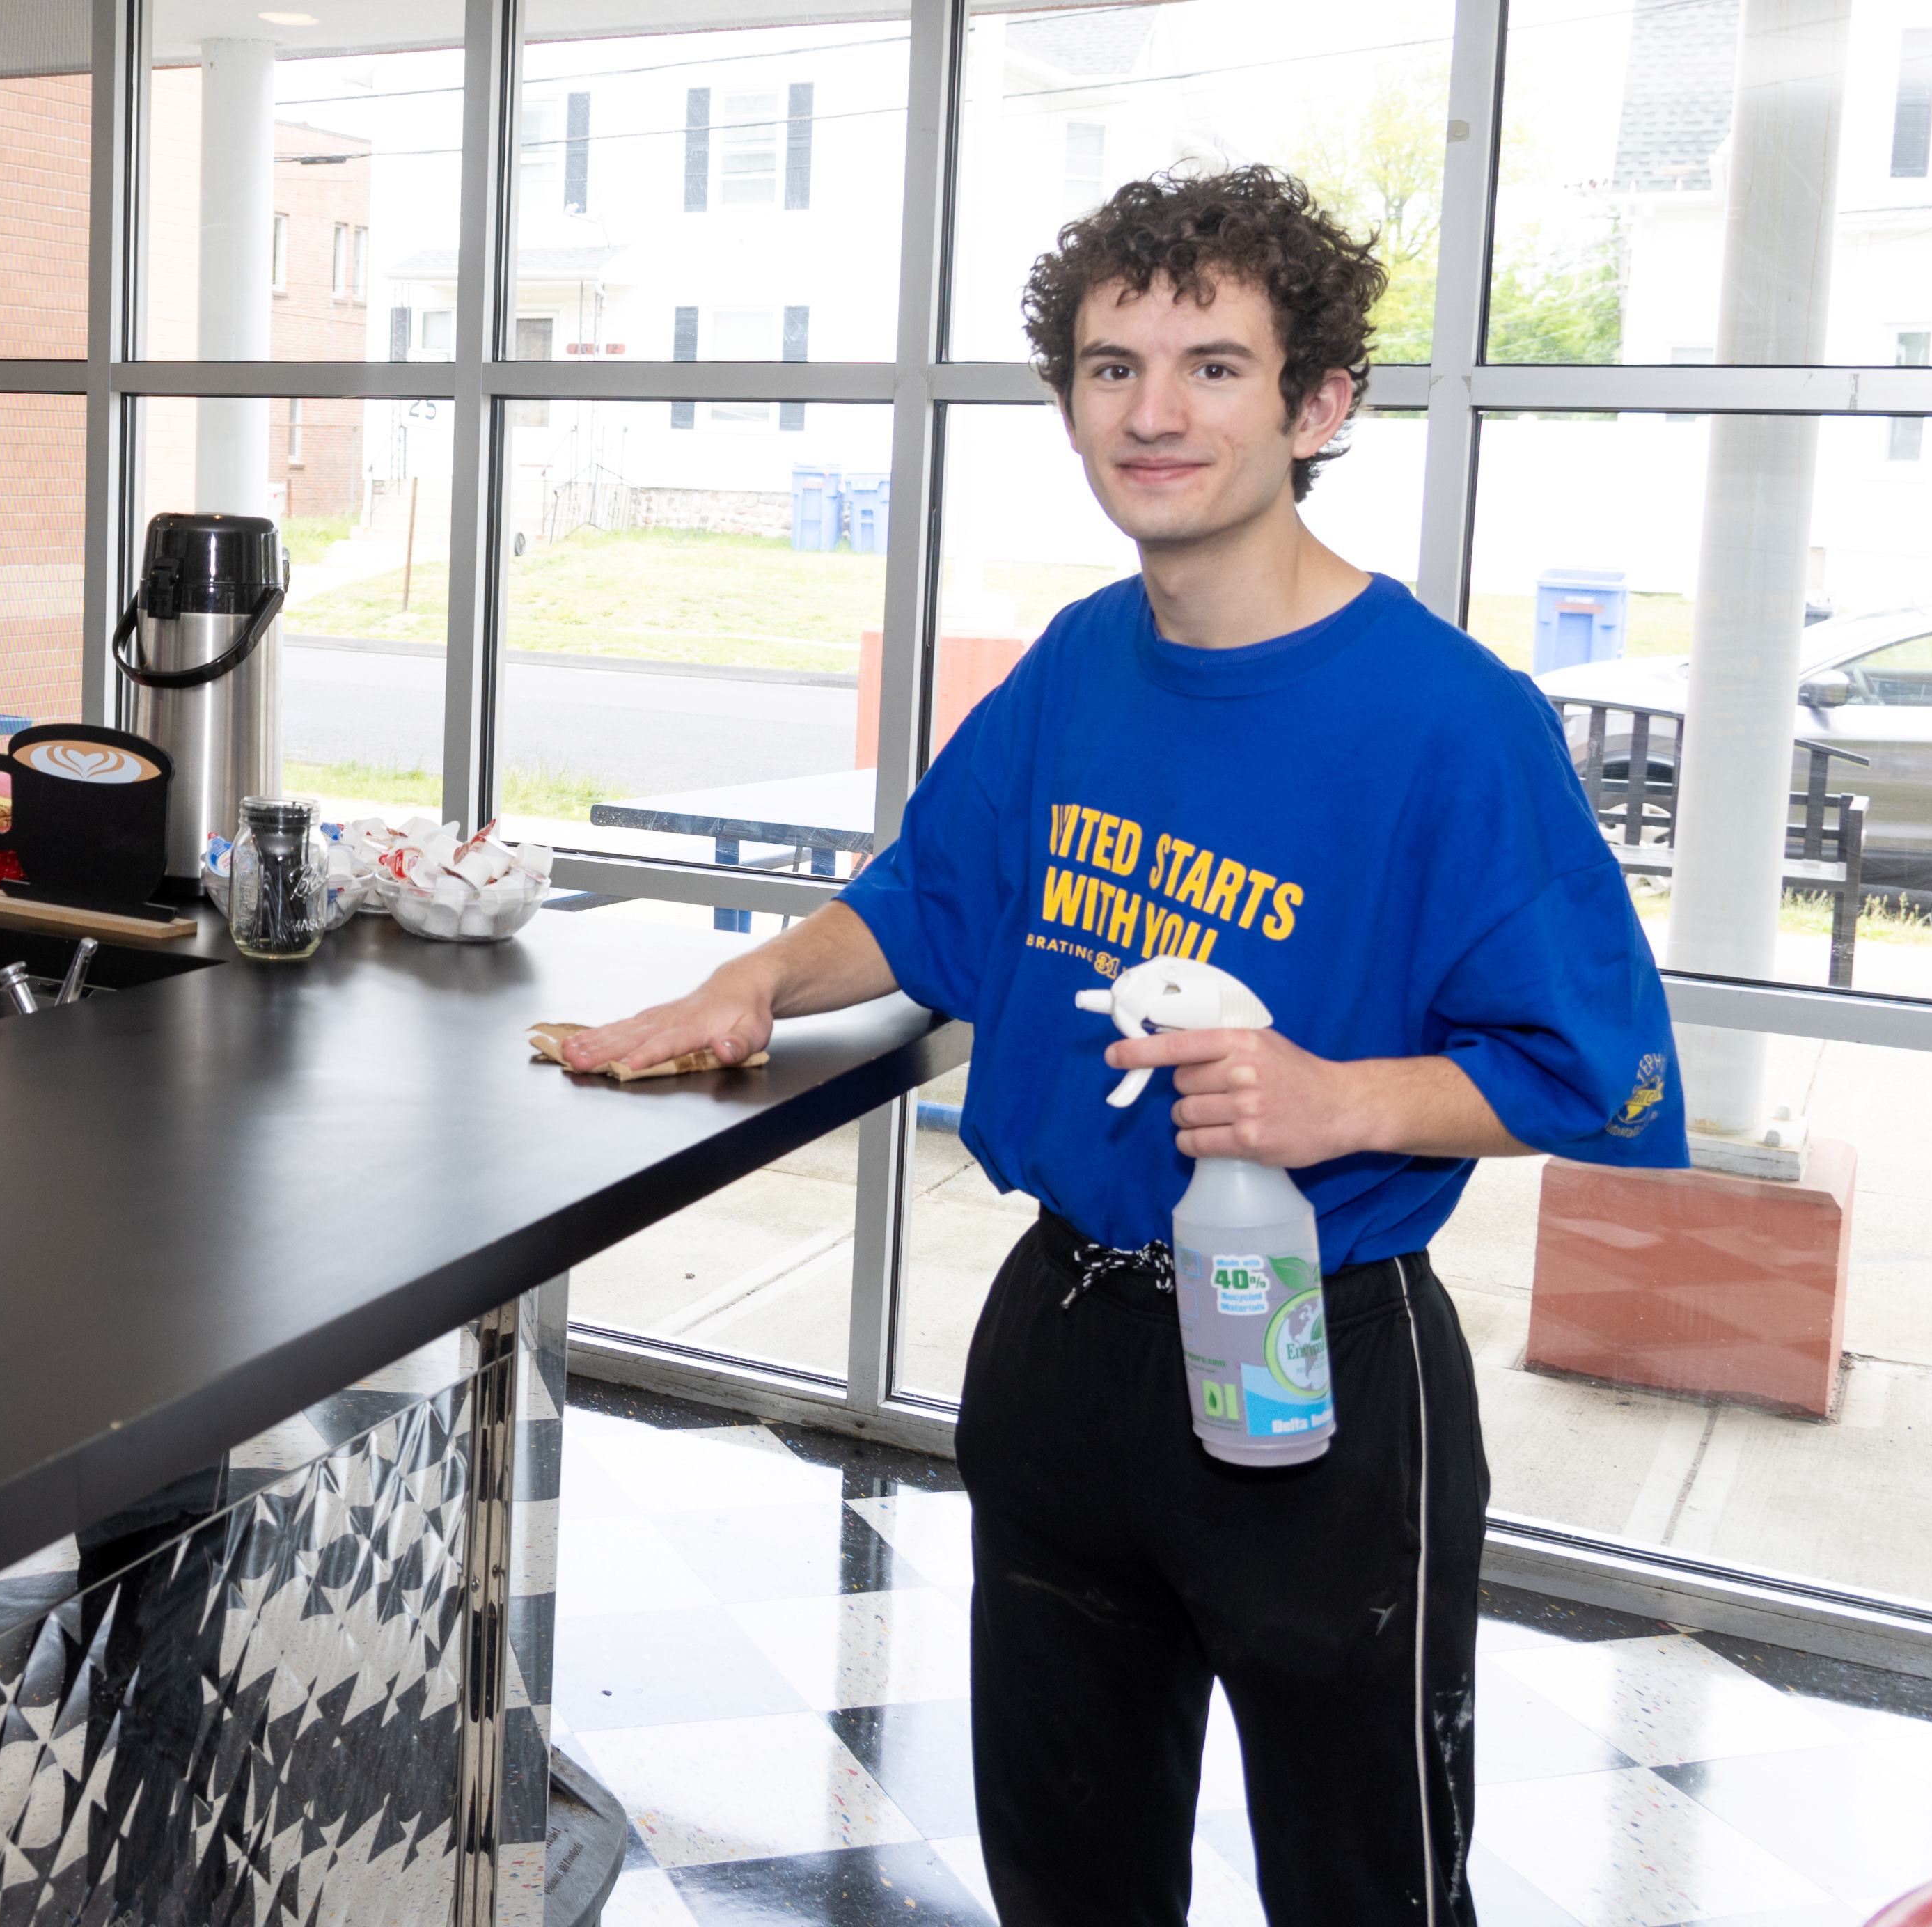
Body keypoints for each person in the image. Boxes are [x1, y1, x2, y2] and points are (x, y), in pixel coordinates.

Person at [561, 167, 1686, 1926]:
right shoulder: (1082, 663)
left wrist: (1340, 1099)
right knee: (1068, 1875)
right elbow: (928, 899)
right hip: (1064, 1345)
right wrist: (763, 980)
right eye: (1111, 365)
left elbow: (1594, 1062)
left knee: (1364, 1886)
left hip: (1314, 1369)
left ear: (1322, 404)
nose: (1154, 413)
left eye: (1216, 366)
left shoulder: (1453, 723)